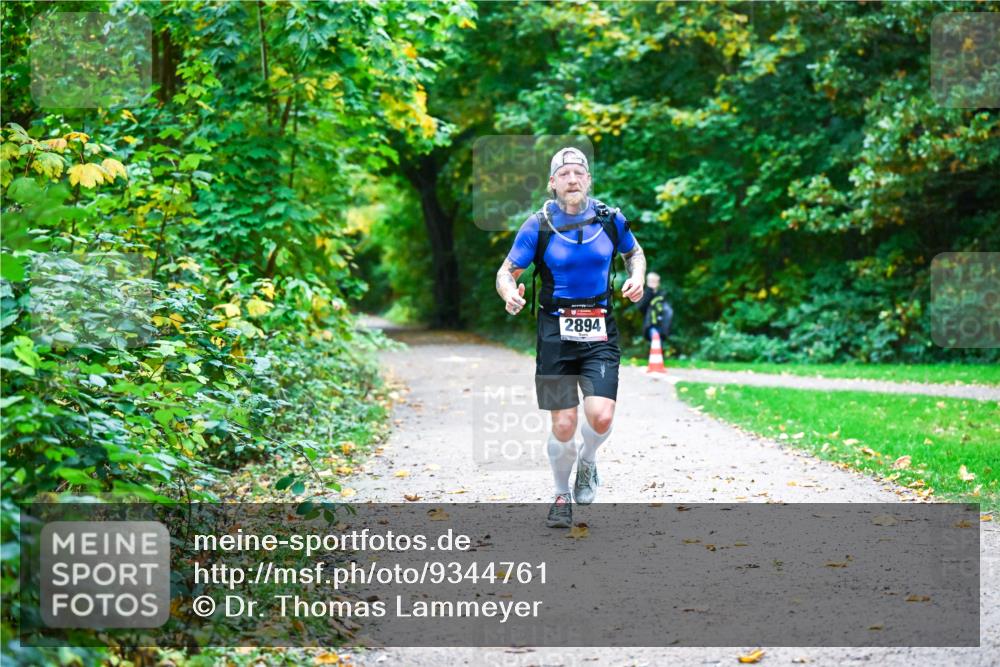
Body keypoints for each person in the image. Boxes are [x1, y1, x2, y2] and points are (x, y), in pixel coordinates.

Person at [495, 147, 646, 528]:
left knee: (601, 417)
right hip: (554, 332)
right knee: (563, 425)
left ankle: (588, 461)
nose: (573, 179)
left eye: (579, 172)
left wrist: (637, 277)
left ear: (589, 180)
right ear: (552, 183)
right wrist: (509, 293)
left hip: (600, 328)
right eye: (564, 174)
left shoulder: (611, 219)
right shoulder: (538, 225)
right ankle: (561, 495)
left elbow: (635, 253)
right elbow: (506, 272)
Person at [636, 271, 673, 342]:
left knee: (659, 344)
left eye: (654, 281)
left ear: (658, 282)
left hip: (663, 326)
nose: (652, 283)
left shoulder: (663, 294)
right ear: (647, 282)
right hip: (651, 325)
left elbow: (668, 311)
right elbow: (641, 308)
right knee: (656, 340)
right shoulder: (644, 294)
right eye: (650, 281)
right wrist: (650, 291)